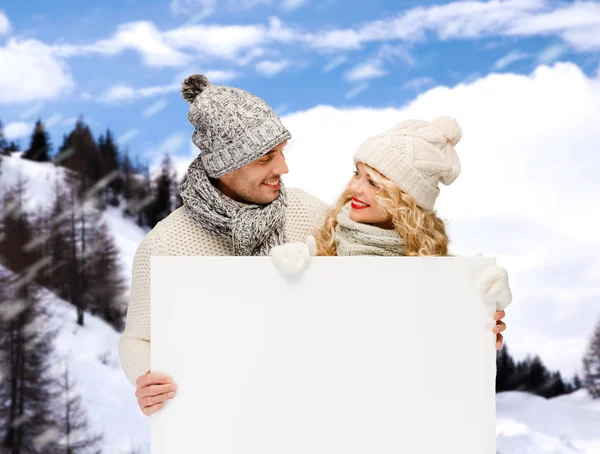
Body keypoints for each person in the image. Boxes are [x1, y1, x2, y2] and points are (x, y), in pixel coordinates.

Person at [118, 75, 508, 417]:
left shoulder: (308, 212)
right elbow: (137, 338)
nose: (283, 168)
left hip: (311, 420)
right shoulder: (165, 244)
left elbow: (387, 278)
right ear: (225, 166)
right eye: (266, 158)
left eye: (282, 151)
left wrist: (466, 313)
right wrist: (146, 377)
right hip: (228, 425)